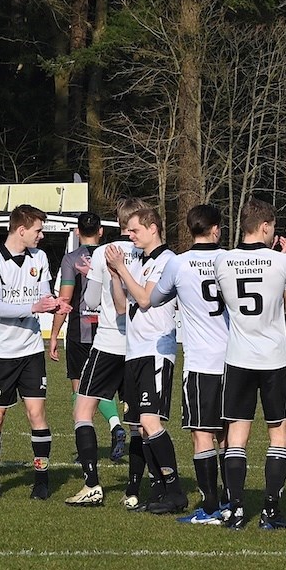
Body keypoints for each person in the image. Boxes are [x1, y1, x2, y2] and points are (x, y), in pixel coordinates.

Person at [214, 198, 286, 530]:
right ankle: (270, 511)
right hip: (274, 359)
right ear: (265, 227)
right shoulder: (282, 262)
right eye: (273, 227)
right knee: (278, 435)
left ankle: (235, 508)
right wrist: (284, 263)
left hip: (238, 358)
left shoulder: (224, 261)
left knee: (236, 436)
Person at [0, 204, 71, 499]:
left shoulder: (39, 257)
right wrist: (34, 306)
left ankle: (41, 482)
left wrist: (57, 304)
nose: (41, 235)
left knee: (37, 414)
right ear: (21, 230)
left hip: (31, 350)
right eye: (38, 230)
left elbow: (44, 295)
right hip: (2, 352)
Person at [147, 204, 232, 523]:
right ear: (216, 229)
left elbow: (152, 300)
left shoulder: (179, 264)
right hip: (233, 359)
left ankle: (210, 505)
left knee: (201, 434)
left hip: (200, 362)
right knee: (228, 433)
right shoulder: (229, 259)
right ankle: (230, 499)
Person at [64, 199, 145, 508]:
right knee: (138, 421)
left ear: (119, 223)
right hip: (141, 346)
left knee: (83, 411)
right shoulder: (152, 253)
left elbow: (91, 301)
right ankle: (134, 490)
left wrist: (94, 274)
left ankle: (92, 485)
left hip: (110, 342)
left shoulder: (101, 253)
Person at [104, 206, 184, 514]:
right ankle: (160, 490)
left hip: (156, 350)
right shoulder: (138, 262)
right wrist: (115, 275)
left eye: (135, 230)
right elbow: (124, 307)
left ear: (153, 228)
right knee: (139, 426)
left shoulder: (168, 261)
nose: (129, 235)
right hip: (134, 351)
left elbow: (146, 298)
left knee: (151, 421)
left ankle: (175, 490)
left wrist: (122, 269)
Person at [48, 212, 126, 461]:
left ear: (77, 232)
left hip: (80, 330)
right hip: (110, 329)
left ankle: (88, 446)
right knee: (108, 386)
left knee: (80, 388)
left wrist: (53, 336)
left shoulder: (71, 259)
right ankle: (116, 424)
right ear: (101, 231)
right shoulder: (111, 254)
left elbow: (66, 298)